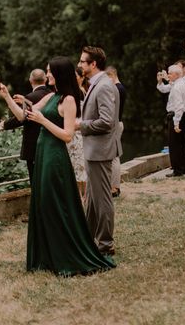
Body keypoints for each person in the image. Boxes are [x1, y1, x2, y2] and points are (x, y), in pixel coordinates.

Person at [0, 57, 115, 275]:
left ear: (59, 74)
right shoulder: (52, 96)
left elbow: (68, 135)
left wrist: (43, 121)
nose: (47, 74)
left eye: (50, 72)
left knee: (54, 204)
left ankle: (65, 254)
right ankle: (46, 256)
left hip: (54, 156)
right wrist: (6, 96)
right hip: (42, 154)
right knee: (42, 204)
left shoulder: (69, 100)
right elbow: (23, 116)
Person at [77, 46, 122, 256]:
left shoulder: (103, 86)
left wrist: (81, 125)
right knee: (92, 199)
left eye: (82, 62)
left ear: (93, 64)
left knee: (102, 199)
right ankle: (88, 238)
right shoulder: (98, 84)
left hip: (100, 150)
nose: (79, 65)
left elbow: (106, 122)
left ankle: (105, 245)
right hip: (94, 150)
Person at [0, 69, 51, 182]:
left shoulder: (30, 97)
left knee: (35, 181)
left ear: (30, 80)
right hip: (49, 144)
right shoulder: (51, 94)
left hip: (33, 145)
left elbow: (21, 118)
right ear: (45, 79)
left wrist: (5, 124)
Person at [161, 64, 185, 176]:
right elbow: (163, 88)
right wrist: (161, 80)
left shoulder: (178, 86)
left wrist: (176, 123)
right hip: (180, 116)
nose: (168, 75)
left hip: (176, 116)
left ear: (176, 74)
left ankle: (178, 170)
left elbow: (179, 106)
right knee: (182, 143)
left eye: (170, 73)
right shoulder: (180, 83)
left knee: (174, 144)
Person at [105, 66, 126, 197]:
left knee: (114, 156)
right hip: (117, 123)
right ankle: (113, 186)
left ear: (112, 75)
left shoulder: (117, 89)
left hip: (115, 124)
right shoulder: (121, 88)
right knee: (114, 155)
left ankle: (114, 187)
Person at [67, 67, 88, 199]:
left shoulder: (79, 92)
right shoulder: (82, 91)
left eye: (75, 76)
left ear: (81, 77)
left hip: (77, 131)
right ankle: (82, 197)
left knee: (78, 165)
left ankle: (81, 197)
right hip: (78, 131)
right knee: (79, 166)